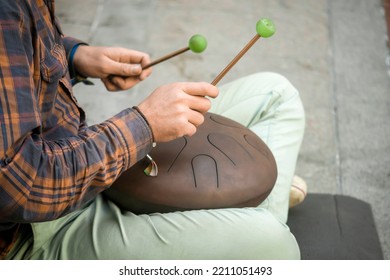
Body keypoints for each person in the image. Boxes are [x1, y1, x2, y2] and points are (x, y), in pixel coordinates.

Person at [0, 0, 305, 260]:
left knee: (276, 94)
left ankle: (238, 222)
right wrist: (144, 124)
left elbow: (20, 54)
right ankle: (248, 224)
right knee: (276, 244)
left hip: (80, 156)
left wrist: (73, 57)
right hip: (39, 232)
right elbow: (21, 187)